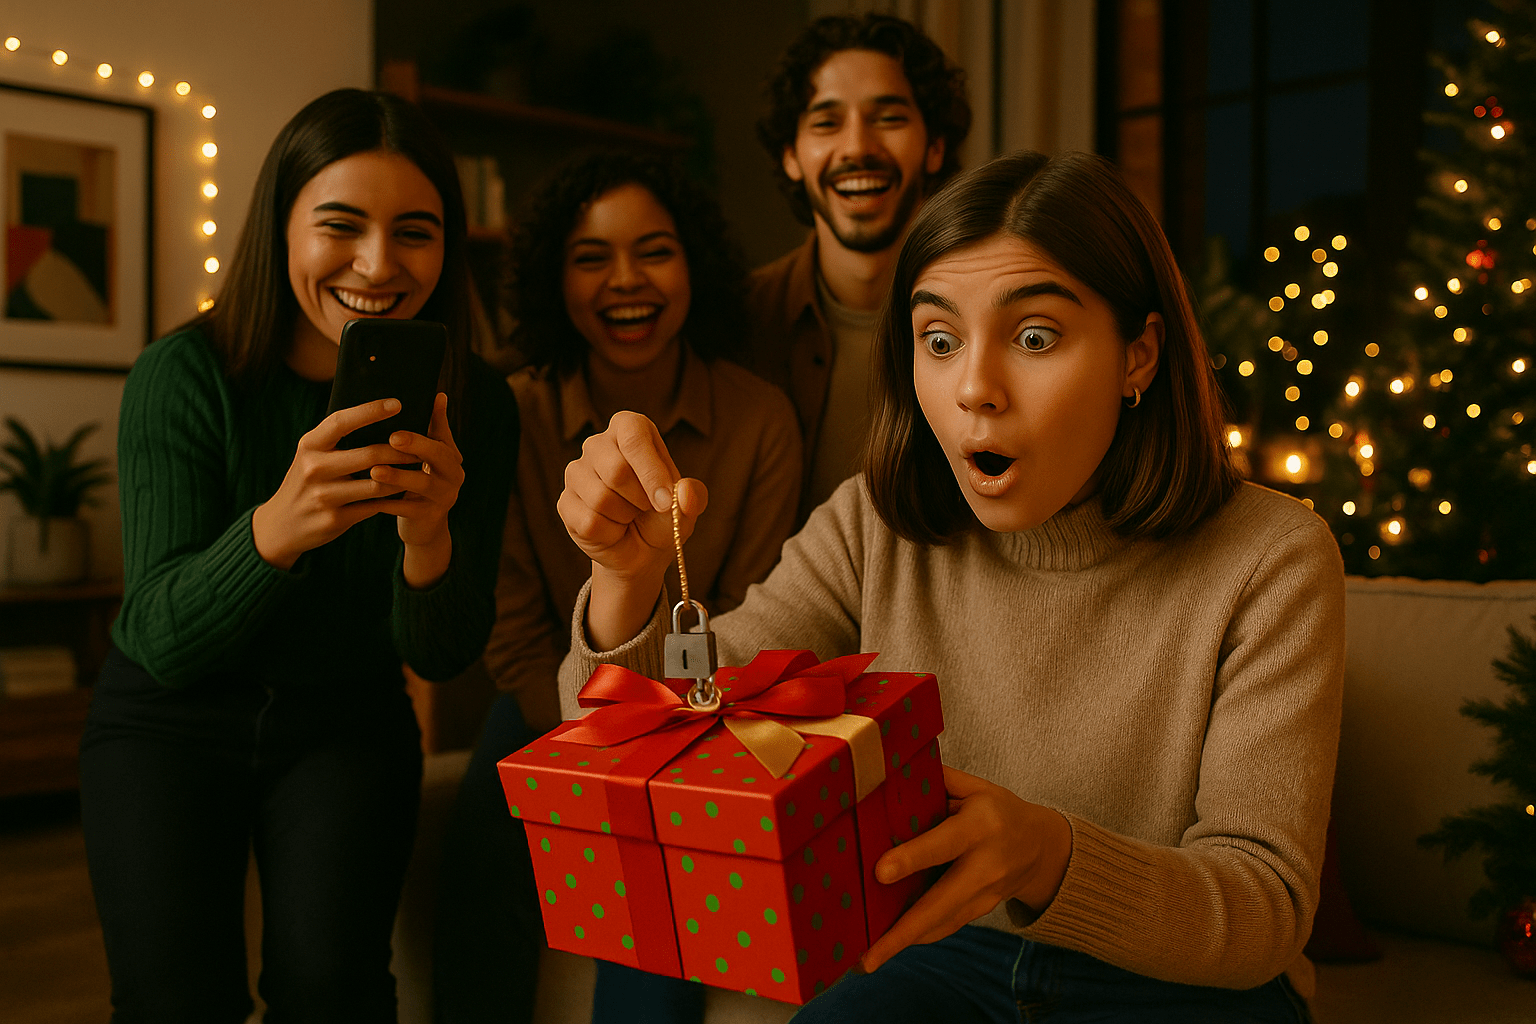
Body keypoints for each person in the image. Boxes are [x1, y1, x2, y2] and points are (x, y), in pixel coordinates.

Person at [554, 151, 1345, 1023]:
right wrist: (624, 580)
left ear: (1139, 355)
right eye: (940, 340)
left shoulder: (1272, 557)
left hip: (1180, 987)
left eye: (1034, 337)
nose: (974, 388)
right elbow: (650, 745)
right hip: (949, 955)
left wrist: (1048, 855)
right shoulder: (872, 525)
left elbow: (1264, 908)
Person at [79, 89, 518, 1024]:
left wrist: (428, 536)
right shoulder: (183, 374)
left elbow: (443, 655)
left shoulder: (477, 403)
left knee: (334, 991)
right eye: (341, 225)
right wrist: (278, 527)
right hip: (167, 718)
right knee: (172, 1000)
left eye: (415, 232)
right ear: (280, 226)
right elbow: (159, 637)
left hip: (346, 719)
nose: (378, 264)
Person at [431, 151, 803, 1024]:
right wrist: (594, 743)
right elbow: (514, 634)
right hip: (544, 707)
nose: (626, 280)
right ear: (553, 280)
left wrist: (650, 756)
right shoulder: (512, 414)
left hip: (699, 720)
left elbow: (750, 618)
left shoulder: (760, 419)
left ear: (695, 267)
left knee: (661, 895)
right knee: (477, 870)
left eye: (654, 251)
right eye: (591, 257)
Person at [748, 12, 971, 518]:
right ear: (791, 155)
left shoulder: (989, 318)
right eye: (826, 123)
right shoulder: (738, 321)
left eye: (888, 118)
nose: (857, 148)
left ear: (935, 147)